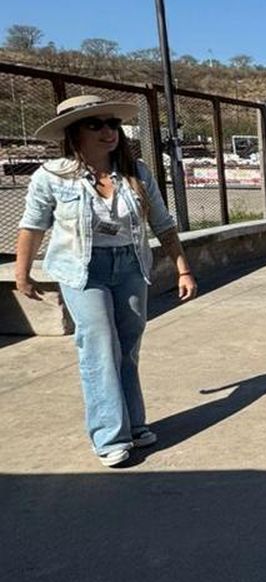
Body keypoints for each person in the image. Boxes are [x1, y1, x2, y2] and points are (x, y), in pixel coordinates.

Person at [14, 93, 198, 466]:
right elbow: (32, 226)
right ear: (73, 133)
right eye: (94, 124)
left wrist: (183, 267)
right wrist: (23, 272)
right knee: (98, 344)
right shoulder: (52, 177)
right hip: (83, 269)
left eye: (112, 123)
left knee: (128, 345)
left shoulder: (137, 172)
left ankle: (133, 424)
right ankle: (109, 436)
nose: (108, 131)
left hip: (130, 266)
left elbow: (162, 223)